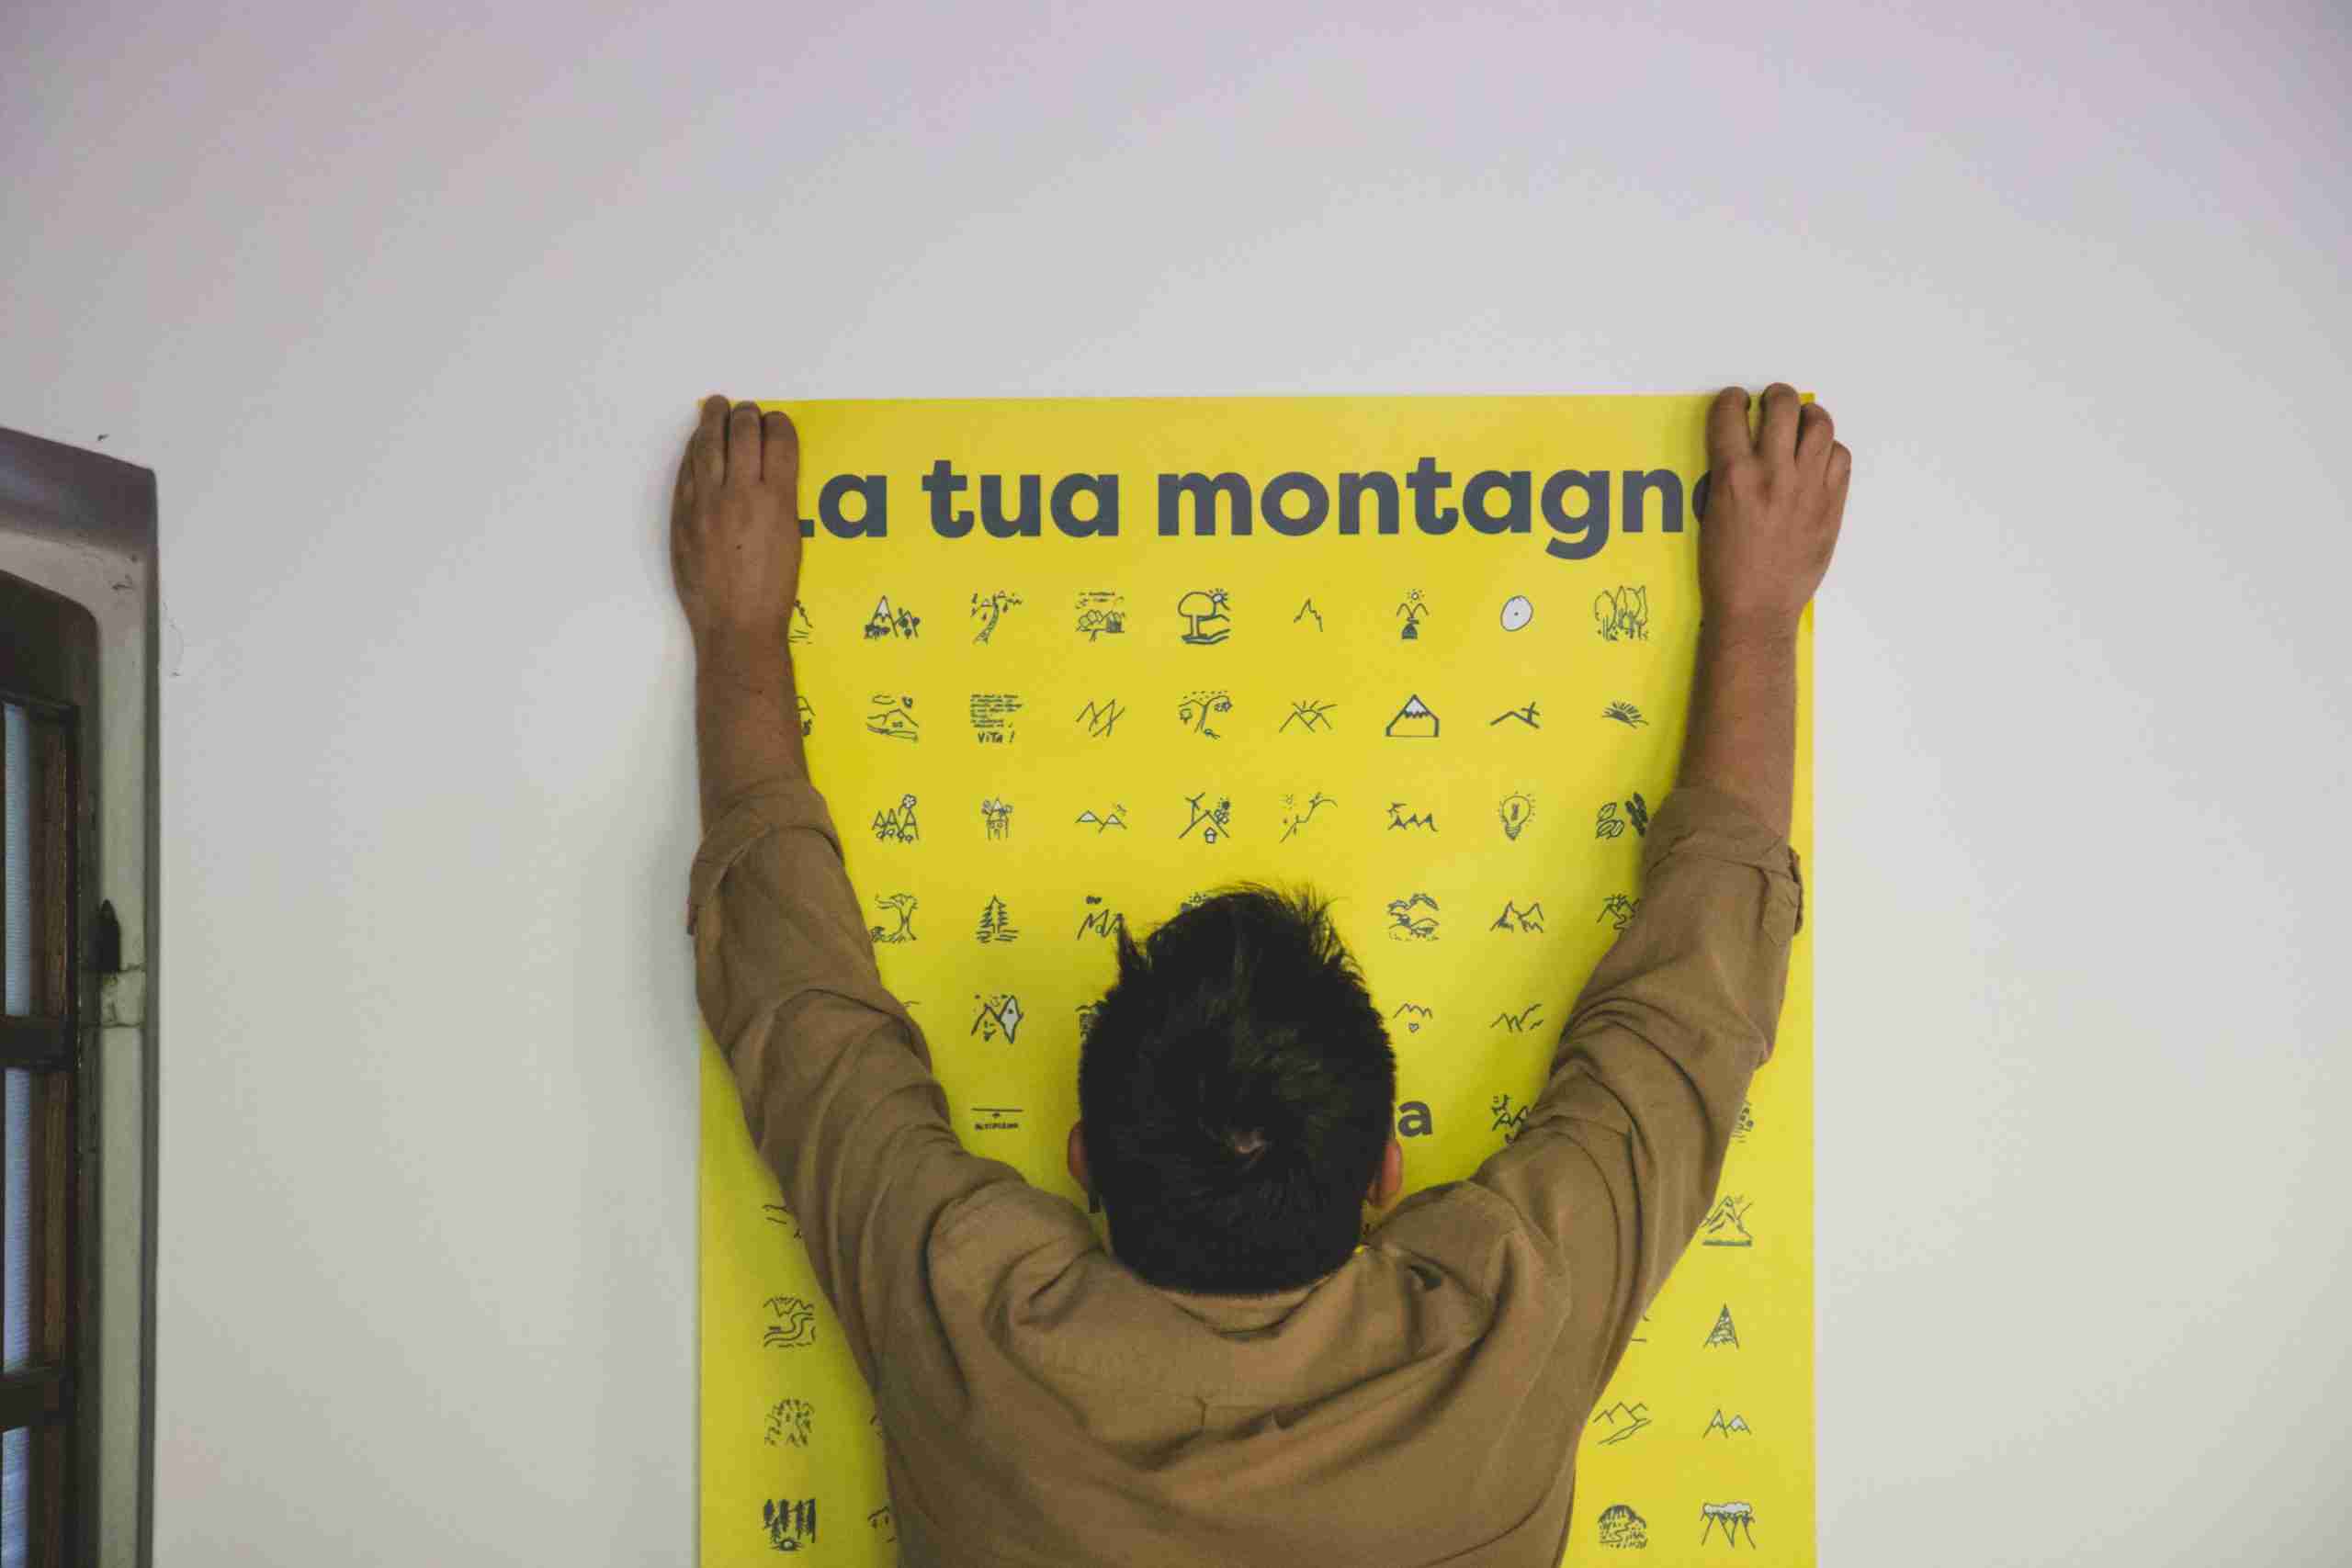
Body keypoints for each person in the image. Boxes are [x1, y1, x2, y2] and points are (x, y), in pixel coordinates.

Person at [674, 383, 1847, 1566]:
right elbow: (1684, 1021)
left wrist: (736, 631)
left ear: (1082, 1161)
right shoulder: (1509, 1329)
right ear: (1386, 1172)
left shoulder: (963, 1321)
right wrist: (1757, 618)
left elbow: (798, 1009)